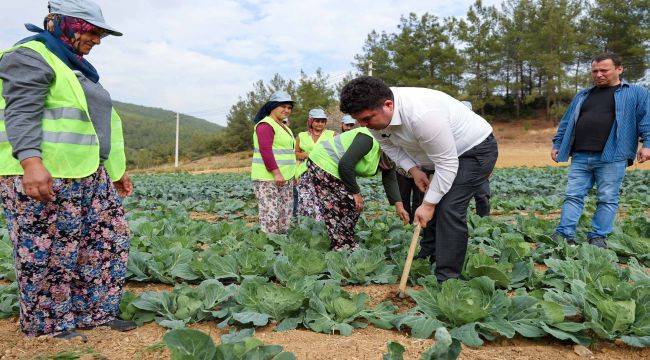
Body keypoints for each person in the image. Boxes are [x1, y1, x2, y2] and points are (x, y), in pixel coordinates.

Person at [0, 0, 134, 339]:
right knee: (47, 250)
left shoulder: (76, 68)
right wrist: (31, 161)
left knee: (108, 239)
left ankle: (94, 312)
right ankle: (49, 324)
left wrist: (116, 170)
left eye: (101, 33)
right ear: (64, 24)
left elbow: (103, 124)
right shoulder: (30, 56)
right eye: (92, 31)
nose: (98, 40)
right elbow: (20, 111)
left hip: (88, 172)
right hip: (45, 172)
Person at [340, 76, 498, 283]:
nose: (363, 125)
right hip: (434, 155)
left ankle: (448, 279)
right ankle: (428, 257)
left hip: (473, 150)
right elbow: (389, 146)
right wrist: (414, 170)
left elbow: (448, 164)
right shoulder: (374, 116)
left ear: (388, 105)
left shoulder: (422, 115)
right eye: (359, 120)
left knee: (448, 207)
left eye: (367, 119)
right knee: (430, 201)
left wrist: (430, 204)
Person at [551, 53, 649, 248]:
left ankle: (598, 236)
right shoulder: (583, 95)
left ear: (619, 69)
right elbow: (566, 122)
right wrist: (557, 143)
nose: (598, 74)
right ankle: (564, 234)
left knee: (607, 198)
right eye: (595, 71)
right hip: (580, 154)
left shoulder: (636, 93)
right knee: (572, 195)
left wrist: (647, 144)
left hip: (613, 156)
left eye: (604, 70)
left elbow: (646, 119)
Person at [301, 127, 409, 250]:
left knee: (348, 208)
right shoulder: (368, 138)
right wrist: (355, 193)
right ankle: (341, 246)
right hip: (323, 163)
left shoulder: (388, 156)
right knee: (345, 206)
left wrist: (399, 206)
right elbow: (345, 165)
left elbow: (390, 178)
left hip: (336, 169)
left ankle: (345, 243)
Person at [251, 91, 296, 234]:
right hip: (269, 178)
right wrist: (276, 173)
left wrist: (291, 174)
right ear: (272, 107)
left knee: (285, 211)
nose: (287, 110)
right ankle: (270, 246)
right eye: (283, 106)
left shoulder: (284, 126)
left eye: (289, 108)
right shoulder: (265, 125)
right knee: (270, 213)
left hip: (285, 177)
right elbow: (266, 151)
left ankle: (282, 242)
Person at [295, 108, 334, 219]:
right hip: (305, 172)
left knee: (324, 199)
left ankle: (323, 225)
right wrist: (304, 155)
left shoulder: (332, 135)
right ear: (311, 121)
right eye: (317, 121)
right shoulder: (301, 136)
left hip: (325, 172)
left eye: (322, 121)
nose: (320, 124)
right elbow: (296, 153)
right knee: (306, 199)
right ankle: (307, 225)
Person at [462, 100, 491, 217]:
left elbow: (489, 150)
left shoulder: (480, 126)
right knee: (457, 200)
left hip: (479, 167)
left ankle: (483, 222)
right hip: (459, 167)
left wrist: (488, 168)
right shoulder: (452, 127)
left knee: (482, 196)